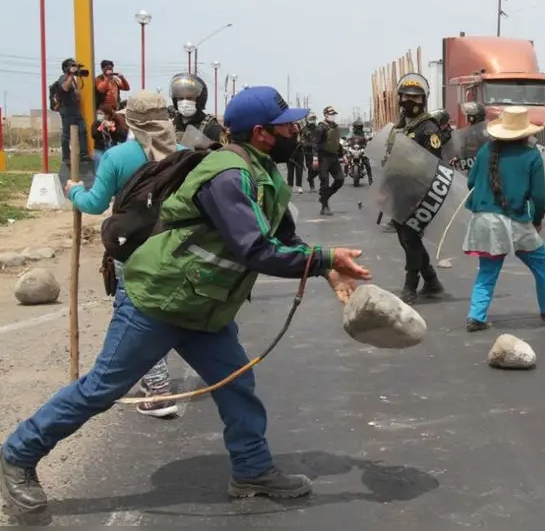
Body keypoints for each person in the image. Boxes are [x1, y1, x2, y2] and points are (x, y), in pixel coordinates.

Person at [0, 86, 372, 516]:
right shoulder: (228, 176)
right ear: (261, 132)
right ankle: (18, 455)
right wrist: (323, 257)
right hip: (157, 299)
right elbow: (253, 248)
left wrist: (326, 268)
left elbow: (283, 237)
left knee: (237, 385)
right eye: (287, 124)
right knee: (102, 388)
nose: (295, 130)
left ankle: (252, 470)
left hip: (203, 305)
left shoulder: (263, 171)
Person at [68, 91, 186, 419]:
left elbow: (93, 204)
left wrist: (74, 190)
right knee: (167, 312)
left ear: (129, 120)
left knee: (137, 316)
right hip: (177, 249)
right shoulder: (184, 154)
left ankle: (157, 389)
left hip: (131, 248)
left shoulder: (119, 157)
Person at [462, 106, 545, 332]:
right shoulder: (531, 156)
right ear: (525, 133)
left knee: (487, 270)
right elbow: (539, 196)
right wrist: (538, 220)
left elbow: (471, 183)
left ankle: (476, 316)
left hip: (483, 220)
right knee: (541, 262)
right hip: (515, 221)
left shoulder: (484, 152)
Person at [385, 73, 447, 303]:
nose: (410, 102)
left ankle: (410, 286)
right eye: (406, 97)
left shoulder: (428, 128)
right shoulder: (401, 125)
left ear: (424, 101)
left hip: (418, 193)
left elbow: (433, 164)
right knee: (405, 238)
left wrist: (422, 195)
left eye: (416, 98)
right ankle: (431, 280)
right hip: (399, 191)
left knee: (410, 237)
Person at [52, 58, 91, 166]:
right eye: (71, 66)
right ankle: (66, 157)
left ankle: (84, 155)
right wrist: (71, 75)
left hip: (75, 110)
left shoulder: (73, 79)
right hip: (67, 110)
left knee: (82, 131)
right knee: (66, 135)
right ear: (66, 68)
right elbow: (65, 88)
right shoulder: (62, 78)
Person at [169, 73, 226, 144]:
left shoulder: (211, 127)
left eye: (189, 98)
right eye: (180, 98)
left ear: (199, 99)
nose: (184, 101)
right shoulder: (170, 125)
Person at [314, 106, 344, 215]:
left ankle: (324, 197)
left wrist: (342, 155)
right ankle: (325, 206)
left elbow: (337, 142)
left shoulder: (335, 127)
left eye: (334, 114)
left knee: (340, 179)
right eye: (331, 114)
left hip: (334, 156)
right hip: (323, 157)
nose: (333, 116)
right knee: (324, 182)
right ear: (325, 115)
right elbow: (315, 144)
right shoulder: (320, 128)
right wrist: (315, 158)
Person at [90, 104, 128, 171]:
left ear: (107, 115)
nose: (99, 115)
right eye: (98, 113)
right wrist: (101, 127)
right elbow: (94, 135)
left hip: (112, 148)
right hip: (100, 149)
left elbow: (123, 136)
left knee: (111, 167)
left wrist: (113, 129)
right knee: (99, 167)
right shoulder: (96, 123)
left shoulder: (115, 122)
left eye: (101, 114)